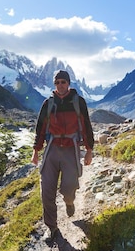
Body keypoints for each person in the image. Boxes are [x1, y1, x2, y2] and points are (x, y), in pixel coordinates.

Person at [31, 70, 94, 241]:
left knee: (69, 187)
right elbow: (40, 128)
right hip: (51, 149)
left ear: (69, 83)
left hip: (70, 149)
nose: (60, 85)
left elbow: (86, 125)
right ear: (54, 84)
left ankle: (69, 201)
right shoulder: (48, 103)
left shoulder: (78, 102)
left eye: (63, 82)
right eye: (57, 82)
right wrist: (36, 150)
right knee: (47, 190)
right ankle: (51, 228)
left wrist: (89, 150)